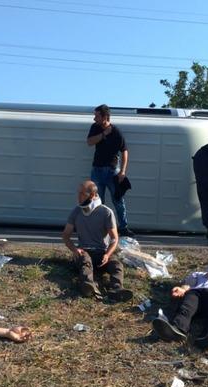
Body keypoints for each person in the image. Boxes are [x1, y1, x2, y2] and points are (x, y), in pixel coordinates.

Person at [62, 180, 133, 302]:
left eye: (82, 194)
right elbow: (65, 235)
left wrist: (107, 254)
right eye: (79, 193)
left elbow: (114, 238)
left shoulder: (106, 212)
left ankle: (117, 289)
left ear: (93, 195)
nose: (78, 197)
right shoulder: (76, 212)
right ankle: (88, 286)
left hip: (102, 253)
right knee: (85, 260)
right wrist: (74, 250)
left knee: (117, 265)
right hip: (84, 251)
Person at [86, 105, 133, 237]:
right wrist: (103, 134)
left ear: (105, 117)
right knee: (97, 201)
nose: (94, 118)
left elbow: (125, 151)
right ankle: (100, 229)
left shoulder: (116, 132)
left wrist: (122, 171)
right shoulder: (95, 127)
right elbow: (89, 142)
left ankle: (123, 228)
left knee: (118, 201)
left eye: (97, 116)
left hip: (112, 172)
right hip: (97, 170)